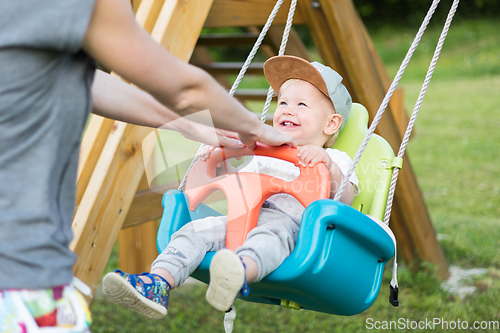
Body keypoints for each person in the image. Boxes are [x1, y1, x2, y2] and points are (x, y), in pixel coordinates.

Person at [0, 0, 296, 331]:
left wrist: (187, 125)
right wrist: (254, 126)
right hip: (19, 272)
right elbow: (184, 88)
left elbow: (84, 80)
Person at [102, 55, 360, 320]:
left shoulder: (334, 159)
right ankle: (158, 282)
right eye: (282, 102)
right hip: (240, 221)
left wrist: (327, 166)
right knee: (193, 231)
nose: (287, 109)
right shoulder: (265, 153)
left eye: (301, 104)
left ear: (331, 123)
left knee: (268, 238)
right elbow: (237, 182)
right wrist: (214, 158)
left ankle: (237, 273)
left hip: (293, 230)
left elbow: (345, 199)